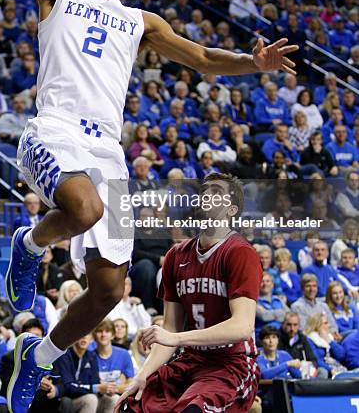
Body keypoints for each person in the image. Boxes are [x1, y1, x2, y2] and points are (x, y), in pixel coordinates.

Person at [0, 0, 297, 412]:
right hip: (55, 129)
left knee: (111, 290)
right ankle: (29, 245)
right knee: (83, 209)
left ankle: (39, 358)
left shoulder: (139, 21)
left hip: (108, 152)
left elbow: (203, 58)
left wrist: (254, 63)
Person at [116, 173, 263, 413]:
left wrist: (176, 339)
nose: (207, 195)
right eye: (205, 191)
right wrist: (142, 374)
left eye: (216, 192)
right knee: (131, 405)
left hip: (231, 364)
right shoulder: (176, 255)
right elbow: (171, 328)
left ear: (231, 210)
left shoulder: (240, 252)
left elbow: (242, 327)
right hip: (191, 360)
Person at [93, 318, 134, 412]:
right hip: (96, 397)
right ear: (94, 335)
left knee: (115, 398)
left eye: (107, 331)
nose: (103, 335)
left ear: (112, 335)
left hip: (116, 397)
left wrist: (114, 389)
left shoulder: (124, 354)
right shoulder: (89, 356)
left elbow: (131, 383)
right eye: (99, 331)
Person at [303, 312, 347, 377]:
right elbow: (316, 360)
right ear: (317, 326)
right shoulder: (309, 340)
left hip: (337, 368)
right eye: (325, 323)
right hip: (325, 370)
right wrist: (330, 369)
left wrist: (330, 341)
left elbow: (341, 355)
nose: (329, 325)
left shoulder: (329, 338)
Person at [278, 311, 321, 376]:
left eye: (295, 325)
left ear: (299, 326)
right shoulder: (276, 338)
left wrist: (306, 364)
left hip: (302, 370)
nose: (292, 328)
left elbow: (314, 360)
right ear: (283, 324)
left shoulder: (302, 338)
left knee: (322, 371)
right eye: (289, 325)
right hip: (285, 372)